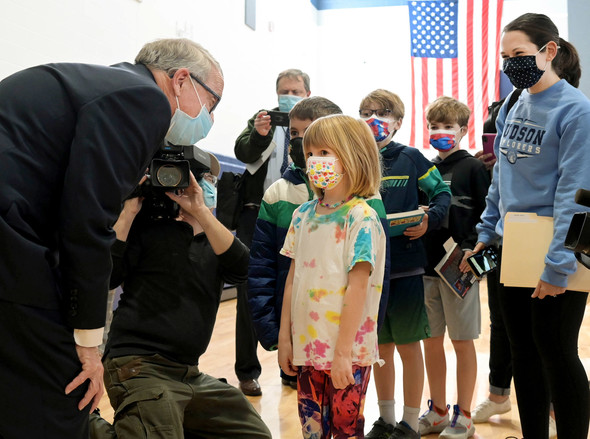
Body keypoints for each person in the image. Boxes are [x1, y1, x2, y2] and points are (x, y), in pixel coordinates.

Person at [0, 38, 223, 439]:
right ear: (181, 80)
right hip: (12, 240)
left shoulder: (109, 84)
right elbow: (87, 223)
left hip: (17, 229)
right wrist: (87, 342)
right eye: (213, 103)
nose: (210, 118)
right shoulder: (144, 100)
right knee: (65, 392)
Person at [89, 151, 272, 439]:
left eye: (203, 179)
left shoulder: (215, 241)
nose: (191, 186)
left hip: (190, 373)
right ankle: (83, 423)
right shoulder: (146, 230)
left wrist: (200, 211)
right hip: (138, 365)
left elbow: (245, 270)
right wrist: (128, 210)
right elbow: (106, 278)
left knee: (253, 434)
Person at [470, 13, 590, 439]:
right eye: (505, 57)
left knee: (557, 352)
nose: (510, 64)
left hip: (555, 248)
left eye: (518, 54)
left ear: (549, 51)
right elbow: (501, 179)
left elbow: (576, 193)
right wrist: (486, 234)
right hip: (511, 247)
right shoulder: (511, 105)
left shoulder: (576, 110)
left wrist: (558, 264)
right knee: (522, 353)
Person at [278, 114, 387, 439]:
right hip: (308, 347)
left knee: (344, 431)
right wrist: (286, 338)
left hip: (347, 352)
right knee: (311, 430)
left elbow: (357, 288)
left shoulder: (361, 218)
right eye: (310, 153)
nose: (314, 161)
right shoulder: (303, 215)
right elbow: (293, 280)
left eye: (325, 153)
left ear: (353, 156)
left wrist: (342, 354)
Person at [360, 89, 451, 439]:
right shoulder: (356, 160)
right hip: (368, 269)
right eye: (366, 112)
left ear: (398, 122)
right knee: (379, 348)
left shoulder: (412, 158)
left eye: (381, 113)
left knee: (409, 346)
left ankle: (411, 422)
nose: (373, 119)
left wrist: (430, 219)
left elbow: (441, 193)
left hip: (407, 267)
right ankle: (385, 419)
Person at [247, 96, 343, 390]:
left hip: (344, 334)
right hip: (294, 333)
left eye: (309, 132)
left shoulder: (364, 198)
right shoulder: (278, 194)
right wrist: (274, 333)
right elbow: (262, 268)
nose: (300, 142)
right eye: (295, 134)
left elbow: (377, 273)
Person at [233, 68, 311, 396]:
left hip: (301, 211)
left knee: (296, 285)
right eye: (284, 90)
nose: (288, 95)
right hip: (259, 214)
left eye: (295, 90)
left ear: (307, 93)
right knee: (251, 290)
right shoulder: (261, 119)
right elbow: (243, 153)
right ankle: (247, 370)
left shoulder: (316, 124)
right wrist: (259, 134)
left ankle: (290, 366)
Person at [416, 96, 490, 439]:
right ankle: (439, 410)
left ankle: (465, 415)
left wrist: (472, 249)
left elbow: (488, 215)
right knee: (431, 341)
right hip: (428, 267)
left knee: (462, 341)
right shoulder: (425, 170)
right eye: (435, 126)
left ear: (463, 130)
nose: (440, 132)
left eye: (448, 126)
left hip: (461, 268)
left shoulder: (474, 168)